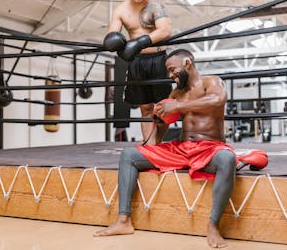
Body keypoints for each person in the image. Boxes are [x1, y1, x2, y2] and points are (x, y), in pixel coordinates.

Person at [93, 49, 237, 248]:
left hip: (210, 148)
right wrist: (159, 120)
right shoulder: (176, 93)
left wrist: (178, 107)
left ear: (187, 63)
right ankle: (124, 220)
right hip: (182, 148)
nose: (170, 76)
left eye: (172, 70)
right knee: (129, 155)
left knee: (227, 159)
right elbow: (160, 131)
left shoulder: (211, 82)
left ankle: (213, 226)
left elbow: (217, 100)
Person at [103, 0, 172, 144]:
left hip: (159, 60)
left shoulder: (156, 6)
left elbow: (165, 30)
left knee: (166, 109)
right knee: (146, 109)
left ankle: (156, 143)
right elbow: (112, 34)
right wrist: (115, 42)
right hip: (137, 62)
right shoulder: (120, 10)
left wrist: (139, 42)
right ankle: (151, 148)